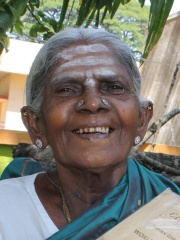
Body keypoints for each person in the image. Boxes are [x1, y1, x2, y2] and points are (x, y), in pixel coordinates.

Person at [0, 28, 179, 240]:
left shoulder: (169, 210)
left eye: (113, 87)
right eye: (67, 89)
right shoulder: (6, 206)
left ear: (142, 119)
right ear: (36, 123)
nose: (93, 103)